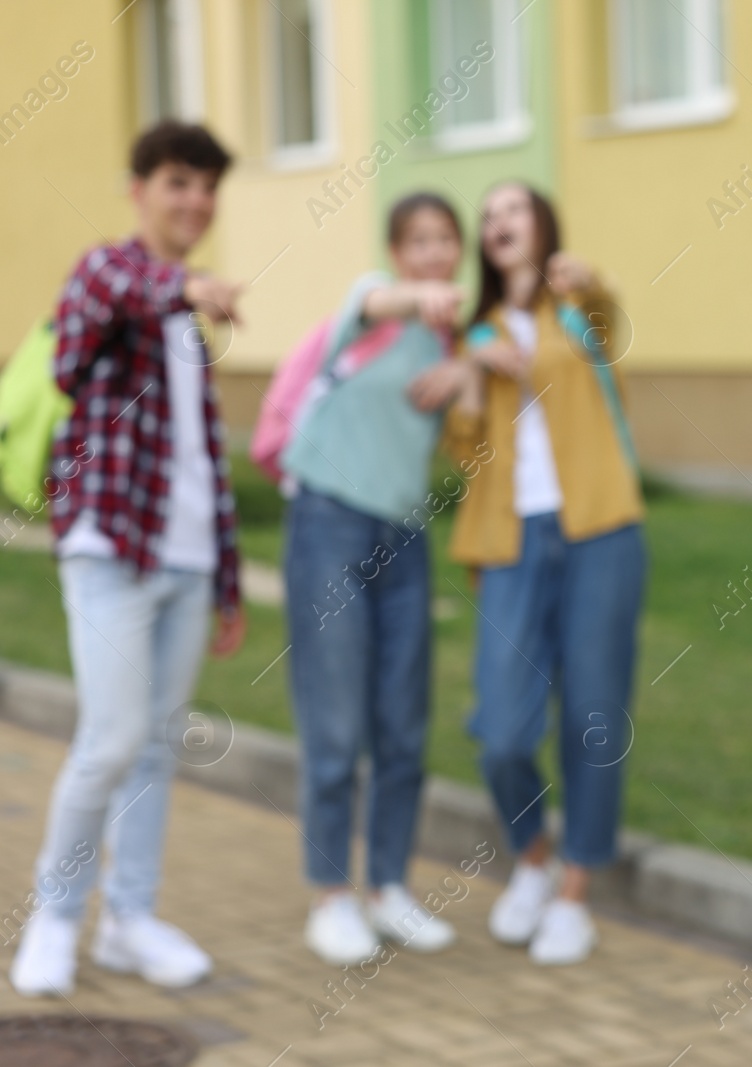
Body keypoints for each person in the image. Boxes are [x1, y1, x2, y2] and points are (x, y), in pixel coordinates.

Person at [10, 120, 248, 997]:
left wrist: (227, 580)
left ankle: (129, 920)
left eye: (207, 186)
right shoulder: (109, 275)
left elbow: (204, 462)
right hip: (110, 548)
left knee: (154, 745)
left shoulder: (185, 321)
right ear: (139, 188)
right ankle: (56, 915)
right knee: (108, 740)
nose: (195, 200)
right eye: (178, 182)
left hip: (185, 564)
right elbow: (115, 296)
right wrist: (187, 283)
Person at [445, 181, 645, 966]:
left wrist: (586, 282)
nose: (498, 224)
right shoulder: (478, 330)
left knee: (594, 718)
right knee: (500, 730)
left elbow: (611, 323)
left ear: (542, 228)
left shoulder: (576, 308)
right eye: (487, 216)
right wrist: (471, 367)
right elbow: (464, 449)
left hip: (600, 530)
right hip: (509, 540)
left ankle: (573, 893)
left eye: (512, 211)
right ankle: (531, 857)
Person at [279, 192, 478, 966]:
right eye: (419, 241)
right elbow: (375, 299)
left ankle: (389, 885)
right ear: (398, 253)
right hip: (328, 523)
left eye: (445, 242)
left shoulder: (449, 340)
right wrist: (414, 299)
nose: (434, 254)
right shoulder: (375, 305)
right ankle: (332, 896)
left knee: (402, 724)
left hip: (404, 537)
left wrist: (462, 360)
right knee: (335, 725)